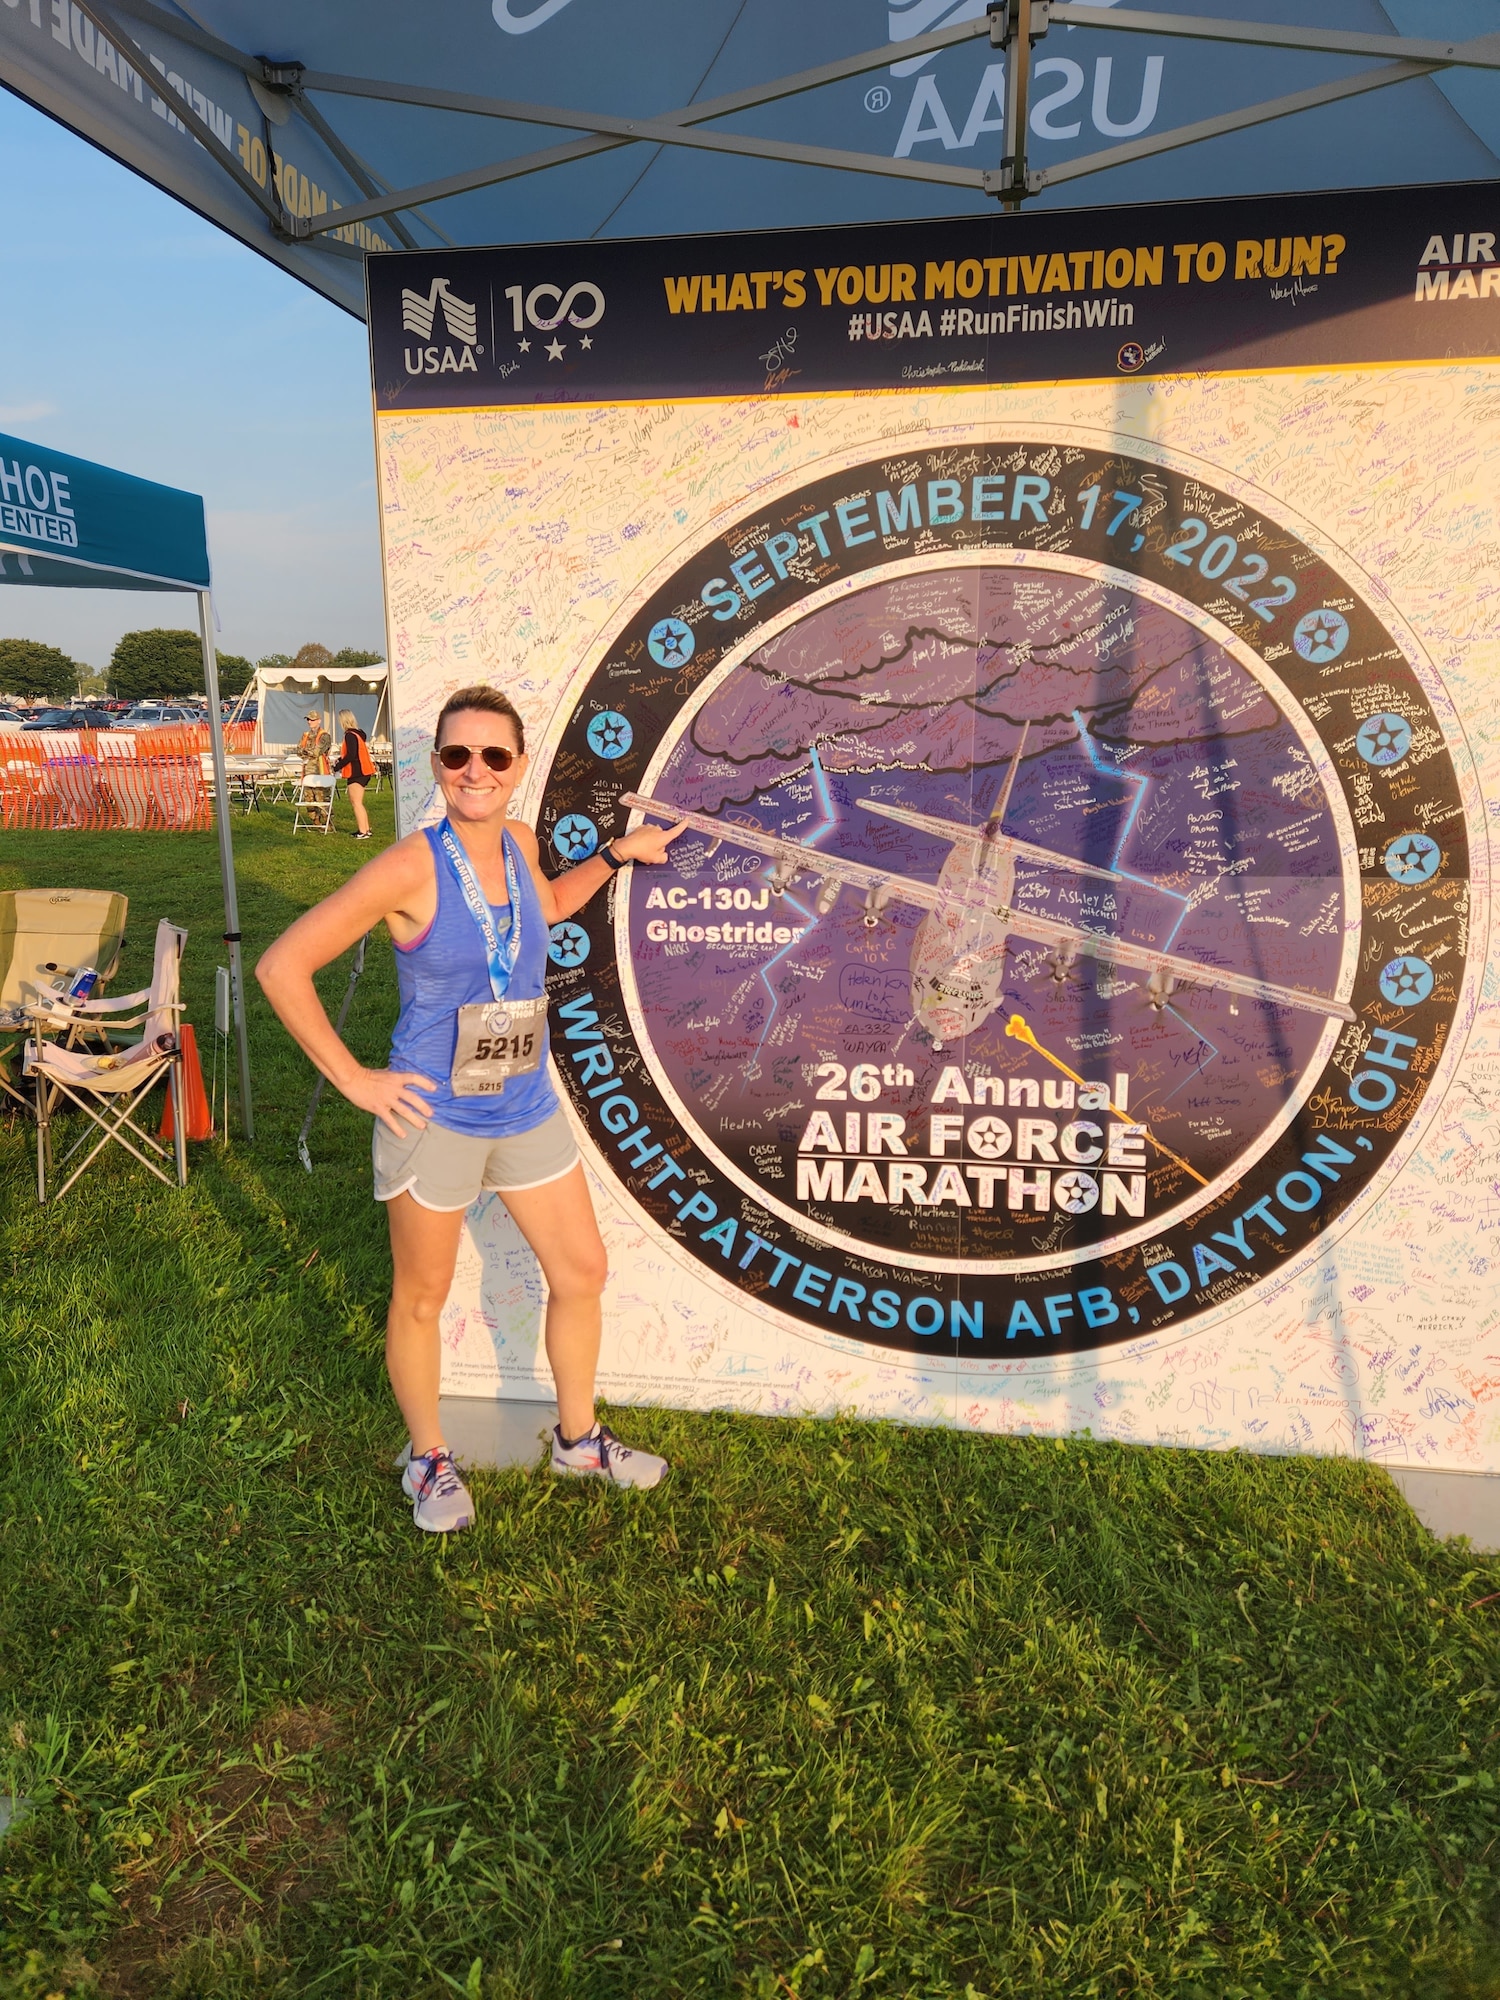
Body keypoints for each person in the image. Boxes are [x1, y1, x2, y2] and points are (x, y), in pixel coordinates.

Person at [256, 684, 684, 1534]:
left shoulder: (521, 842)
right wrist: (356, 1080)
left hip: (524, 1104)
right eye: (458, 755)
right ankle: (428, 1458)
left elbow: (551, 907)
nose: (475, 771)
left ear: (518, 768)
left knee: (582, 1272)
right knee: (422, 1297)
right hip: (434, 1118)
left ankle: (578, 1440)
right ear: (437, 767)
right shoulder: (411, 864)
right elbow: (281, 965)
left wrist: (619, 854)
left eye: (494, 755)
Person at [336, 707, 374, 839]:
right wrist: (341, 759)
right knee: (359, 802)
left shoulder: (349, 735)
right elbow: (355, 752)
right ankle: (366, 828)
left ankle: (362, 831)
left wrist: (338, 766)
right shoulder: (359, 734)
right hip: (364, 770)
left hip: (357, 771)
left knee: (355, 802)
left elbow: (351, 755)